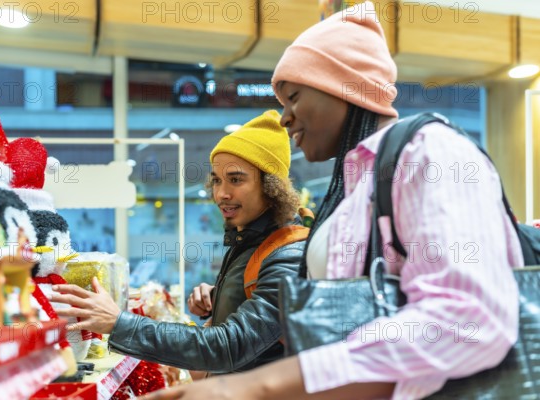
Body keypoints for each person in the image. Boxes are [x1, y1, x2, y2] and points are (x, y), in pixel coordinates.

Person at [142, 2, 523, 399]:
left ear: (344, 87)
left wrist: (258, 387)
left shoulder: (429, 154)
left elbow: (466, 321)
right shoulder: (356, 188)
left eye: (293, 97)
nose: (285, 118)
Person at [50, 109, 306, 374]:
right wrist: (220, 298)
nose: (221, 193)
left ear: (270, 186)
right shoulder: (251, 241)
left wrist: (119, 324)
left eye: (236, 180)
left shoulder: (288, 254)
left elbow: (229, 347)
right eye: (216, 180)